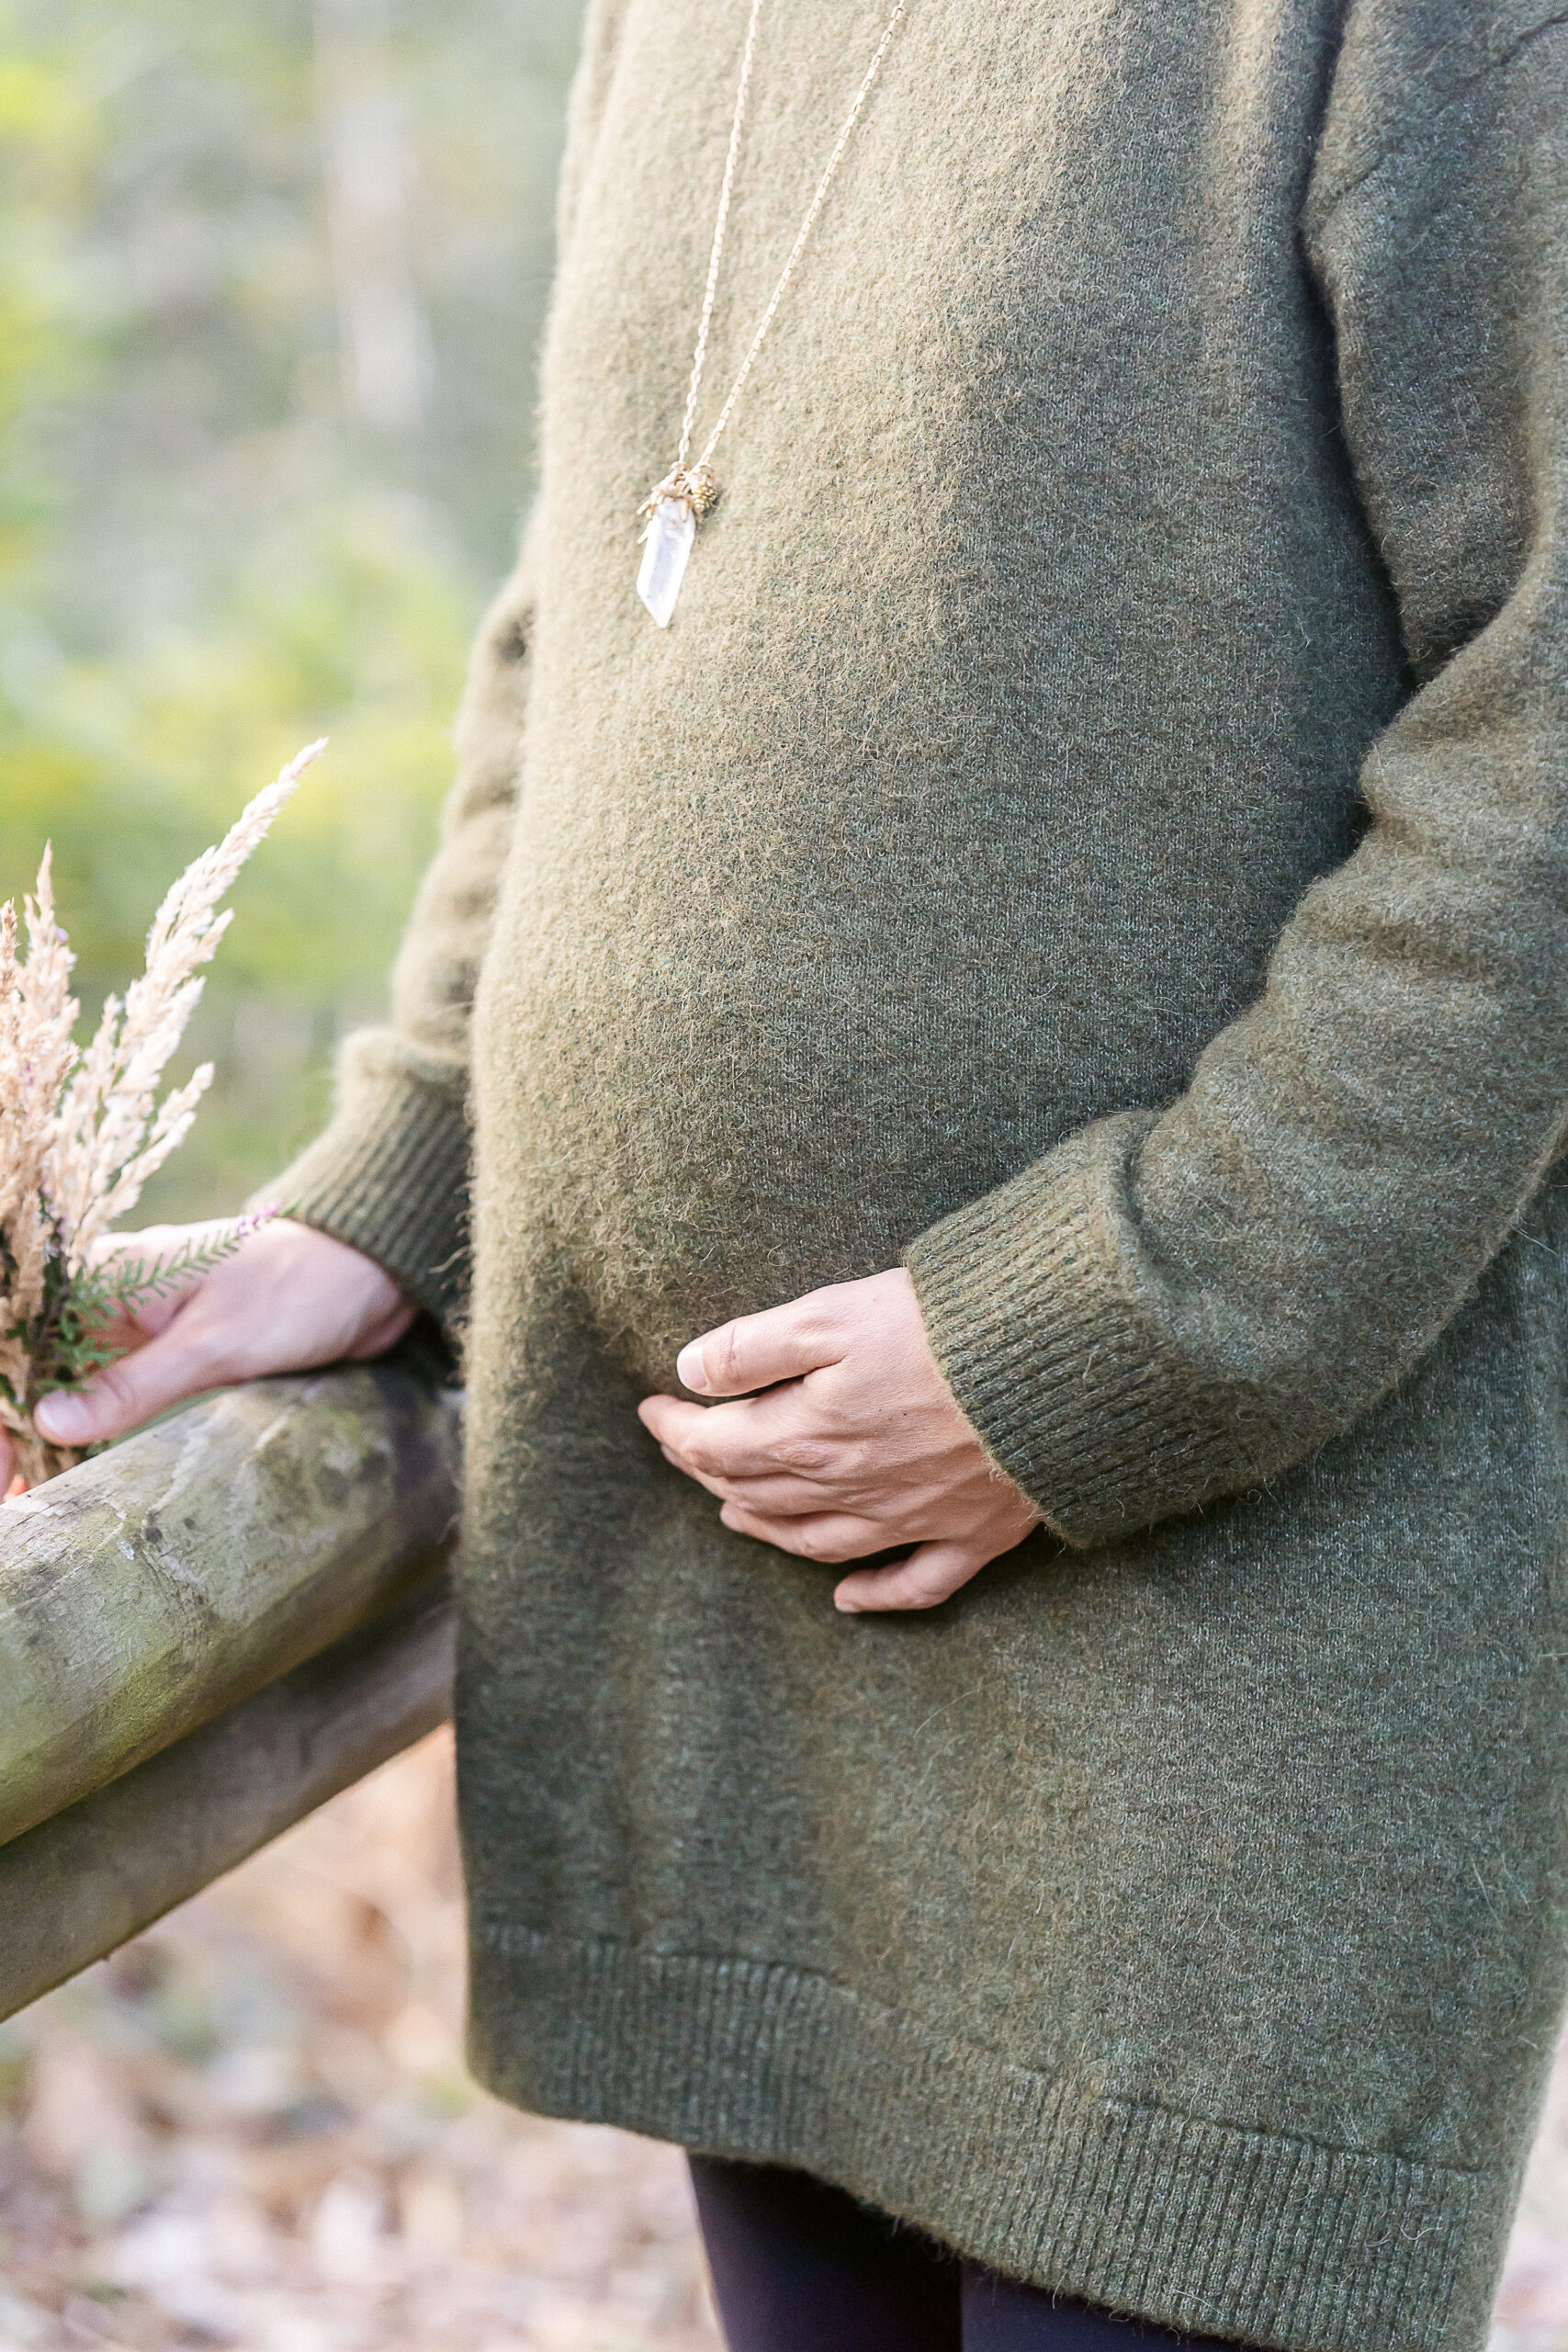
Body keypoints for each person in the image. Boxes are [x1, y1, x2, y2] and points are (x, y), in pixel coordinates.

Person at [12, 0, 1568, 2341]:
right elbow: (586, 627)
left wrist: (1104, 1332)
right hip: (716, 1623)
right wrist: (402, 1166)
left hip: (1222, 1656)